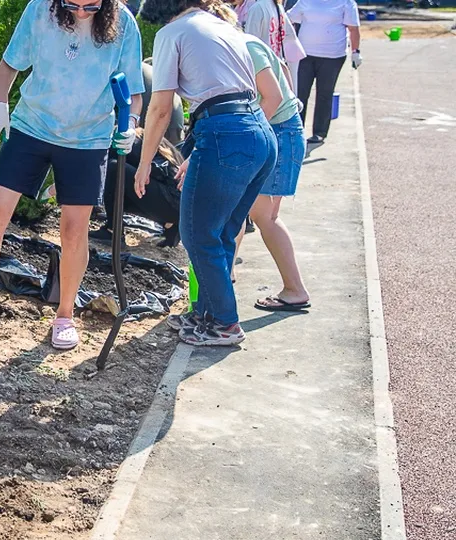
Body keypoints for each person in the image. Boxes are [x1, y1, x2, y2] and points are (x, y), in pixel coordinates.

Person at [0, 0, 145, 350]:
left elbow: (133, 94)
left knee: (74, 231)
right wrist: (0, 106)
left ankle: (64, 316)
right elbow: (7, 67)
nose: (80, 12)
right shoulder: (40, 9)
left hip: (87, 139)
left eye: (91, 6)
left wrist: (131, 124)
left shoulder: (123, 24)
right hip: (31, 127)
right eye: (72, 4)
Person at [137, 0, 277, 346]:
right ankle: (207, 313)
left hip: (224, 133)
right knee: (223, 232)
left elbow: (159, 108)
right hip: (259, 132)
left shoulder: (172, 32)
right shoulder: (224, 26)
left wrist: (144, 162)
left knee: (198, 233)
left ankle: (225, 324)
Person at [210, 3, 312, 311]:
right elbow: (281, 67)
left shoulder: (244, 47)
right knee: (239, 207)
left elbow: (276, 97)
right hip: (278, 128)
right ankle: (225, 274)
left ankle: (295, 290)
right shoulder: (242, 45)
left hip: (280, 130)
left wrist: (250, 131)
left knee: (263, 216)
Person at [90, 128, 184, 248]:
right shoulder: (150, 139)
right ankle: (170, 224)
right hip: (180, 206)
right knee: (124, 182)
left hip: (171, 201)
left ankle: (113, 230)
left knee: (114, 169)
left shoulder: (125, 140)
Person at [287, 0, 361, 144]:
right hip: (305, 55)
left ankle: (320, 132)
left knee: (324, 94)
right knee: (300, 92)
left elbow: (353, 29)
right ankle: (297, 129)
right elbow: (288, 19)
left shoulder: (346, 2)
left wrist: (356, 52)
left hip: (332, 56)